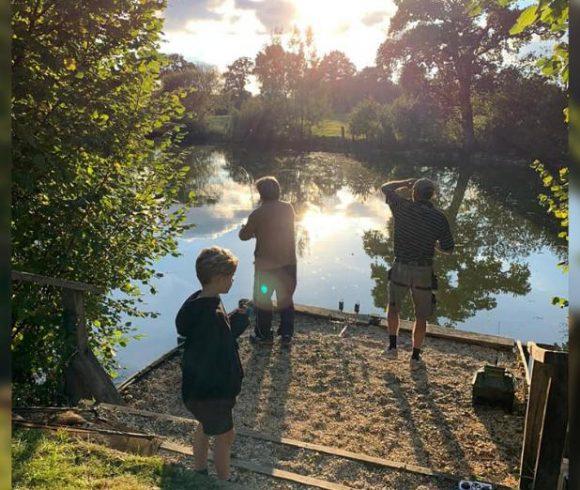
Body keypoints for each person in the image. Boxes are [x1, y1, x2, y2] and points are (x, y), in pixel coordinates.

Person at [175, 246, 250, 481]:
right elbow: (223, 344)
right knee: (225, 436)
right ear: (218, 279)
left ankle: (199, 470)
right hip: (213, 393)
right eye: (230, 276)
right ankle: (224, 481)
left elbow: (213, 335)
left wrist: (234, 316)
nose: (233, 280)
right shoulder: (212, 315)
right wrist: (242, 319)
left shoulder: (197, 302)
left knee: (204, 426)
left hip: (195, 390)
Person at [381, 178, 454, 366]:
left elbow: (386, 187)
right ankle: (415, 357)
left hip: (401, 267)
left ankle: (392, 348)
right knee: (421, 315)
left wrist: (406, 181)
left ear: (414, 193)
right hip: (423, 270)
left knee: (393, 307)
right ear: (432, 195)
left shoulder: (401, 207)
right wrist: (436, 246)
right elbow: (448, 248)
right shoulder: (439, 218)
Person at [239, 176, 297, 347]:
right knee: (286, 299)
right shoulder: (289, 208)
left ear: (260, 194)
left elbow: (244, 236)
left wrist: (246, 226)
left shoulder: (257, 214)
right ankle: (286, 335)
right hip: (288, 264)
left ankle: (264, 336)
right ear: (278, 191)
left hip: (266, 268)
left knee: (263, 301)